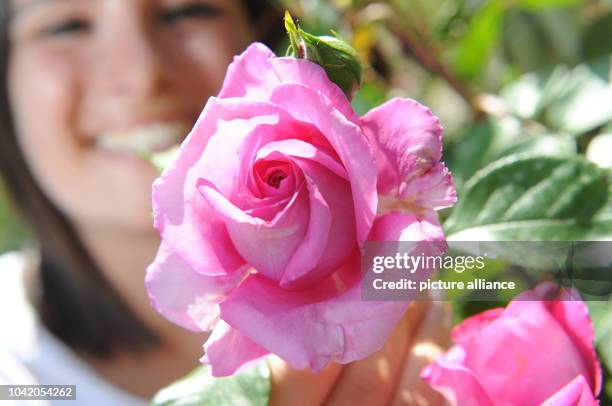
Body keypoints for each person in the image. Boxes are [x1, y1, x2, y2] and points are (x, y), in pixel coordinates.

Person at [0, 0, 450, 404]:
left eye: (185, 10)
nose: (140, 75)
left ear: (262, 30)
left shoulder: (462, 295)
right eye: (66, 26)